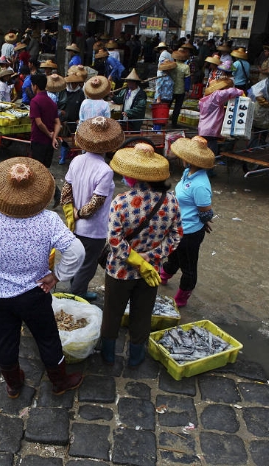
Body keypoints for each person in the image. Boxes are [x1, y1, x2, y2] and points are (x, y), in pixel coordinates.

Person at [0, 156, 85, 398]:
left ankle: (13, 384)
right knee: (47, 338)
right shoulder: (49, 221)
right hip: (35, 293)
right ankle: (59, 381)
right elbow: (76, 251)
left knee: (6, 340)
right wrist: (57, 276)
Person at [101, 143, 182, 366]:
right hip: (151, 272)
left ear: (131, 176)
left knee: (112, 313)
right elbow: (176, 236)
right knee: (142, 314)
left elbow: (114, 242)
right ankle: (136, 358)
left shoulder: (121, 202)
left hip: (119, 271)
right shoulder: (171, 201)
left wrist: (137, 259)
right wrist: (151, 257)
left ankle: (107, 355)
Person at [62, 117, 125, 301]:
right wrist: (80, 213)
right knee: (87, 266)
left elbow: (66, 191)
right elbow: (96, 203)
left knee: (76, 260)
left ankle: (75, 290)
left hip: (74, 226)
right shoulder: (105, 170)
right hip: (93, 229)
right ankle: (76, 296)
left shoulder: (77, 161)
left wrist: (71, 213)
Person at [160, 136, 215, 307]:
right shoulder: (188, 173)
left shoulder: (200, 185)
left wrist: (204, 222)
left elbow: (206, 211)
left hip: (190, 232)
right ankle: (163, 275)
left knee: (188, 267)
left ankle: (181, 298)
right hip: (177, 227)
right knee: (173, 256)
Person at [28, 73, 62, 206]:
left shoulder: (35, 101)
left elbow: (39, 123)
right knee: (42, 170)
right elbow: (58, 123)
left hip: (39, 140)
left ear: (35, 86)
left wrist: (49, 134)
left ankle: (53, 193)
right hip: (48, 143)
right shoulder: (52, 103)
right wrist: (53, 137)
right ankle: (51, 194)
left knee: (37, 171)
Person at [197, 78, 243, 161]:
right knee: (210, 154)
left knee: (203, 152)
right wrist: (241, 92)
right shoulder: (216, 95)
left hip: (203, 128)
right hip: (211, 129)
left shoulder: (204, 99)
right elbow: (232, 91)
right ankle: (208, 171)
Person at [58, 71, 85, 165]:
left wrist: (79, 119)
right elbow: (60, 105)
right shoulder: (64, 92)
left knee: (76, 141)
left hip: (75, 120)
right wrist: (62, 118)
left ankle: (76, 159)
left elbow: (82, 107)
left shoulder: (80, 93)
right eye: (72, 83)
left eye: (75, 83)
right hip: (65, 120)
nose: (73, 85)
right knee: (65, 140)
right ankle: (63, 157)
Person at [169, 48, 190, 128]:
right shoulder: (186, 67)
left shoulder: (172, 64)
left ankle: (164, 120)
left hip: (171, 89)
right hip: (180, 90)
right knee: (177, 107)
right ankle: (174, 123)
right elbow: (187, 80)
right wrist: (187, 90)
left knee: (168, 105)